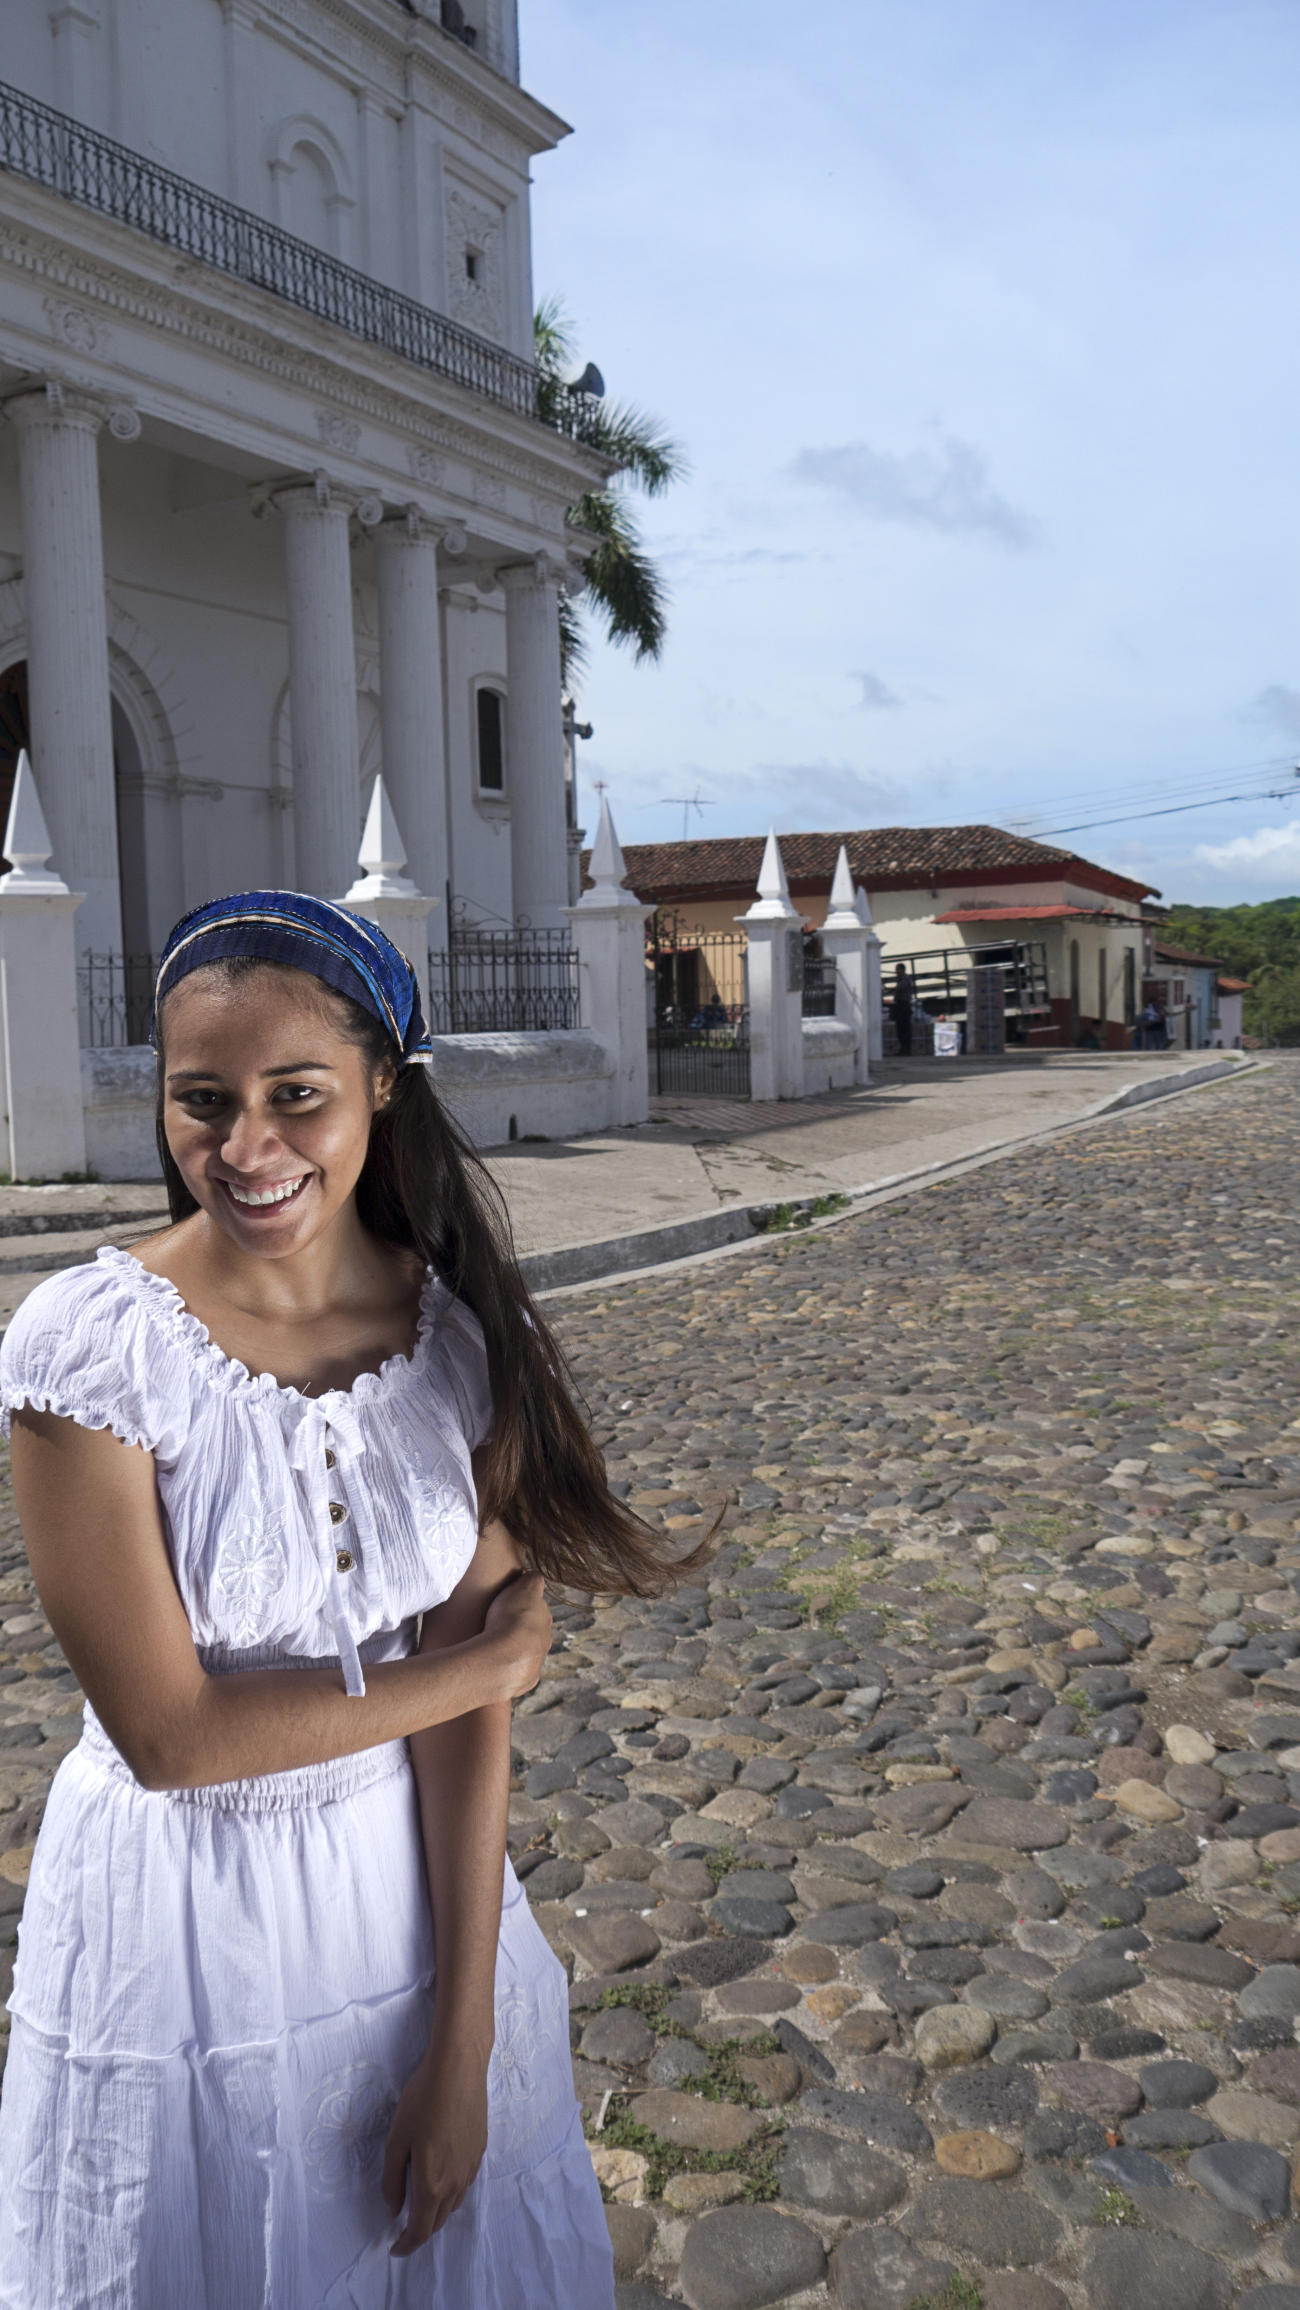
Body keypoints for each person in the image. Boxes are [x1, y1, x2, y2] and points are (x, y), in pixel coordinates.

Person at [0, 893, 690, 2308]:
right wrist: (479, 1668)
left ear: (382, 1084)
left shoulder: (454, 1340)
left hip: (405, 1903)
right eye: (203, 1100)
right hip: (178, 1927)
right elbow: (172, 1736)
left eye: (295, 1096)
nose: (245, 1148)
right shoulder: (92, 1349)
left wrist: (460, 2037)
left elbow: (470, 1725)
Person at [890, 963, 914, 1057]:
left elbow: (900, 988)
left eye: (897, 969)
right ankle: (902, 1048)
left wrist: (889, 989)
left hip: (904, 1005)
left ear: (902, 970)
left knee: (905, 1028)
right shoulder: (900, 979)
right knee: (900, 1028)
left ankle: (906, 1049)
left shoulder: (905, 978)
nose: (896, 971)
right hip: (899, 1004)